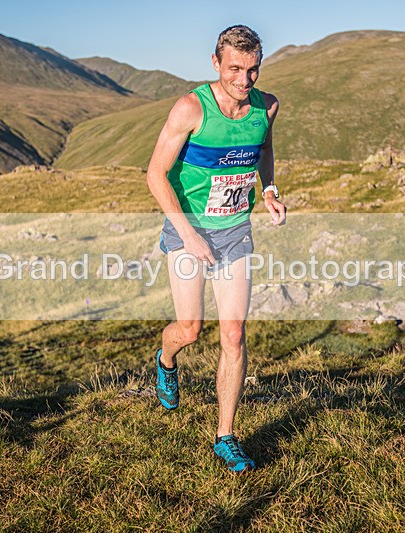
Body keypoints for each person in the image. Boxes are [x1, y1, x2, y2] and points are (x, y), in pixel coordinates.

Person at [146, 25, 286, 473]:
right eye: (235, 70)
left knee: (234, 334)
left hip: (235, 230)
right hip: (189, 230)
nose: (245, 80)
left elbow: (263, 149)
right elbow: (155, 174)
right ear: (215, 64)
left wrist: (268, 190)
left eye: (253, 69)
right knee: (190, 328)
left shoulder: (267, 107)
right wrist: (188, 233)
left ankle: (225, 437)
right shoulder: (191, 108)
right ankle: (166, 360)